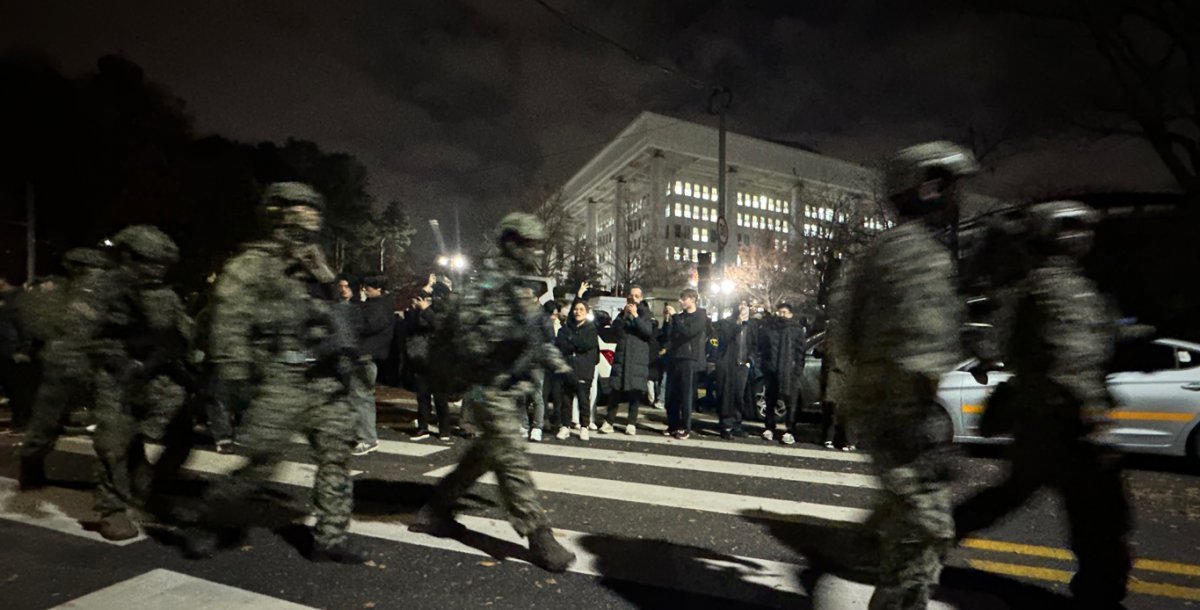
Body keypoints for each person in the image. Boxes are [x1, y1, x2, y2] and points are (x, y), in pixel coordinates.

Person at [953, 201, 1132, 608]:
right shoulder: (1059, 287)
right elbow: (1070, 357)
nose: (1081, 236)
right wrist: (1096, 421)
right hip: (1065, 422)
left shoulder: (1052, 283)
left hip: (1042, 419)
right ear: (1051, 234)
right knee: (1101, 520)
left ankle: (929, 540)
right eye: (1071, 228)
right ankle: (1099, 596)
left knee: (1010, 495)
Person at [829, 141, 977, 609]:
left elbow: (845, 335)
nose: (958, 198)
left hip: (882, 410)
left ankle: (872, 539)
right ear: (928, 187)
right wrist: (924, 431)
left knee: (908, 522)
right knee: (925, 534)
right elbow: (918, 354)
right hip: (902, 416)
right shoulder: (917, 255)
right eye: (950, 186)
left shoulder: (882, 251)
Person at [186, 182, 363, 564]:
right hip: (279, 377)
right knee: (261, 461)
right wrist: (239, 379)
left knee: (335, 453)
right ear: (277, 215)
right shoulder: (252, 264)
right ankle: (210, 523)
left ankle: (330, 537)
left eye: (312, 210)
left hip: (323, 379)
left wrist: (327, 283)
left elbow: (336, 311)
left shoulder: (316, 264)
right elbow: (229, 321)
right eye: (299, 210)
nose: (309, 218)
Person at [411, 212, 576, 573]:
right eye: (527, 243)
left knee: (484, 455)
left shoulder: (519, 286)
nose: (532, 251)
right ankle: (539, 536)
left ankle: (436, 509)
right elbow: (467, 335)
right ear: (510, 243)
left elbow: (532, 336)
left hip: (509, 384)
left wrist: (556, 361)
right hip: (487, 387)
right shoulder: (486, 282)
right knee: (511, 456)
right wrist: (497, 348)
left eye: (535, 244)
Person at [90, 226, 195, 541]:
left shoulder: (165, 295)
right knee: (113, 444)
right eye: (149, 262)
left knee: (182, 432)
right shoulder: (101, 289)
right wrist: (119, 360)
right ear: (127, 257)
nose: (156, 270)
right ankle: (112, 509)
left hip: (156, 375)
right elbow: (81, 336)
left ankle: (152, 489)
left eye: (161, 265)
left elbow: (183, 336)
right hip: (114, 376)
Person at [600, 286, 653, 435]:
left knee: (635, 392)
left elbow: (647, 332)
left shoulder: (645, 313)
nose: (633, 298)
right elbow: (613, 331)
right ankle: (609, 421)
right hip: (622, 357)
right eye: (631, 296)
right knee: (615, 391)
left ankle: (631, 423)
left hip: (637, 358)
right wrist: (623, 315)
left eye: (636, 296)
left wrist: (635, 316)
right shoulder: (622, 313)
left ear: (641, 298)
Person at [349, 275, 393, 455]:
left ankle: (367, 438)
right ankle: (364, 435)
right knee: (361, 396)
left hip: (365, 355)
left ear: (379, 289)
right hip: (368, 355)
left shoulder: (377, 307)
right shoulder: (382, 305)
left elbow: (369, 326)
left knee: (361, 397)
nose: (365, 289)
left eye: (369, 287)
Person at [405, 277, 452, 441]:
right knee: (422, 395)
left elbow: (439, 326)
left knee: (440, 396)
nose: (432, 299)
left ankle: (444, 429)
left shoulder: (444, 311)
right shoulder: (422, 309)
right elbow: (410, 327)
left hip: (438, 359)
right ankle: (423, 427)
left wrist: (425, 310)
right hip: (421, 358)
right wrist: (416, 307)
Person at [759, 302, 807, 445]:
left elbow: (800, 352)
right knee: (770, 399)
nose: (782, 315)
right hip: (772, 370)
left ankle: (789, 429)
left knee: (791, 402)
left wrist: (797, 369)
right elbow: (763, 348)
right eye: (780, 312)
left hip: (789, 371)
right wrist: (766, 365)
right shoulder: (770, 328)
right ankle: (769, 427)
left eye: (785, 312)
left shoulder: (796, 330)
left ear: (791, 314)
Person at [662, 288, 707, 440]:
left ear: (693, 299)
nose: (681, 301)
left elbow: (689, 332)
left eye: (684, 299)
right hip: (675, 357)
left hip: (689, 358)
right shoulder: (679, 317)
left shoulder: (700, 315)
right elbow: (669, 336)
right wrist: (668, 320)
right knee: (671, 394)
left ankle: (685, 427)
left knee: (686, 394)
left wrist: (675, 317)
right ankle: (672, 424)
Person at [554, 298, 599, 441]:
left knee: (583, 400)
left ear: (586, 312)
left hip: (584, 370)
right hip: (567, 368)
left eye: (581, 310)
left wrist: (571, 341)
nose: (578, 312)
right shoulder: (566, 328)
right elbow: (560, 344)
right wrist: (572, 343)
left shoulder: (591, 329)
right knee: (565, 400)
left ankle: (584, 426)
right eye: (576, 309)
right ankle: (565, 426)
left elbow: (586, 344)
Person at [714, 300, 757, 438]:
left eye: (745, 305)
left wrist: (749, 361)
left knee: (739, 396)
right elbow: (724, 339)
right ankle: (725, 424)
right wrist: (738, 323)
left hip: (742, 364)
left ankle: (737, 423)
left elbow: (754, 344)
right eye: (740, 304)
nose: (743, 308)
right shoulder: (726, 323)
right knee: (726, 395)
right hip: (727, 364)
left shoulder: (751, 326)